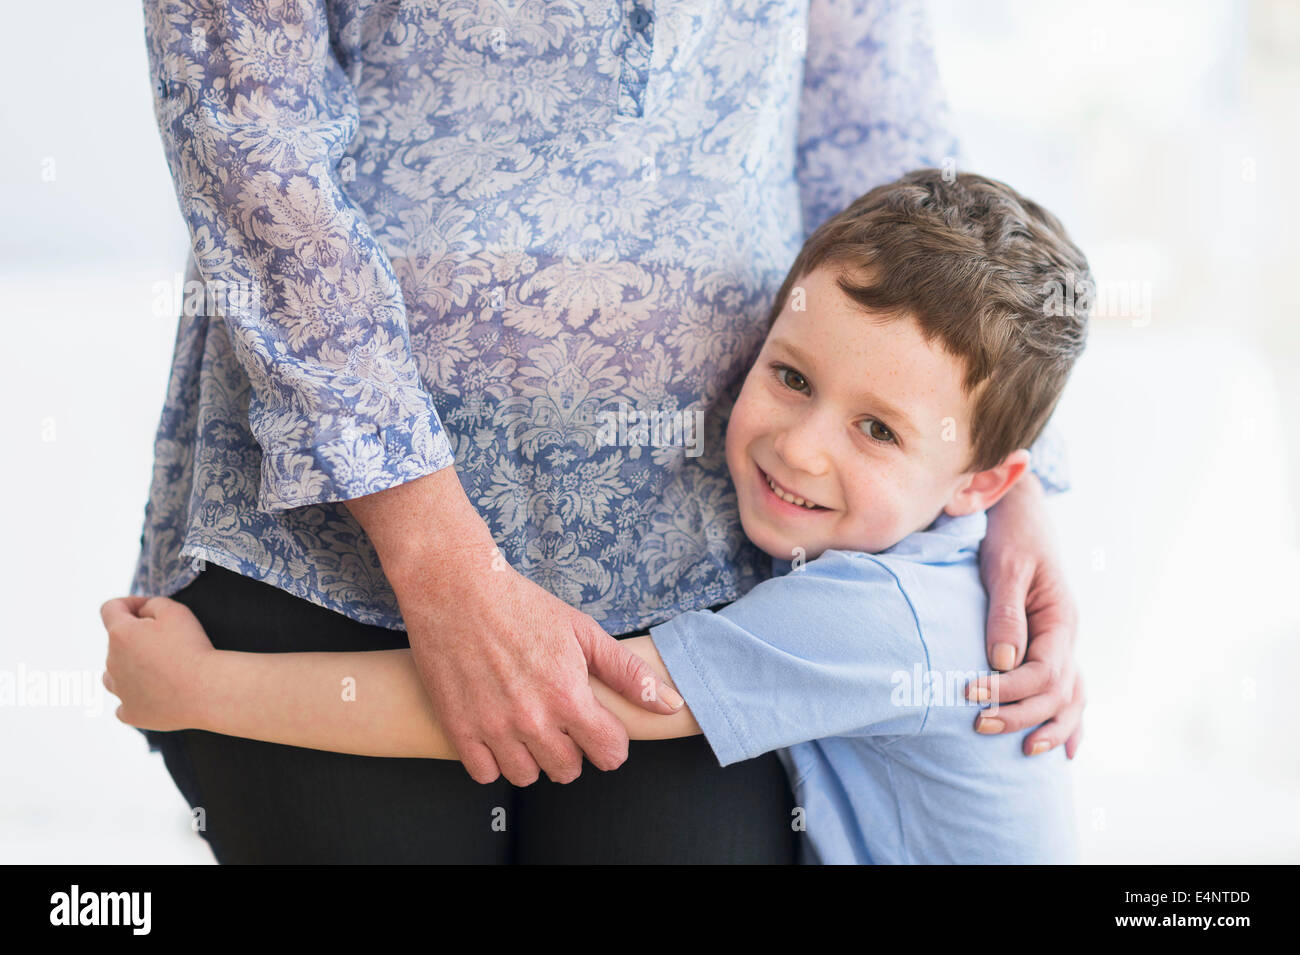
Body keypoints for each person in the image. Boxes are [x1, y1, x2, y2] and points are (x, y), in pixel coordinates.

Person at [125, 0, 1084, 863]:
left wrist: (205, 689)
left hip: (697, 561)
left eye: (878, 427)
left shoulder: (871, 611)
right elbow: (245, 133)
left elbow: (889, 146)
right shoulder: (878, 588)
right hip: (331, 536)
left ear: (982, 478)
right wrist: (440, 556)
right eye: (792, 378)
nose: (802, 445)